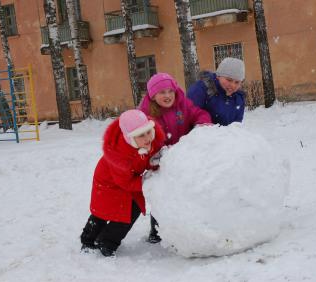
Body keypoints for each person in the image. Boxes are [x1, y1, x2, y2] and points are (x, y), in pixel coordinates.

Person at [80, 109, 165, 257]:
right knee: (103, 212)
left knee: (132, 211)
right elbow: (126, 182)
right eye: (141, 135)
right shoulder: (119, 156)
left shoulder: (151, 140)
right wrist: (146, 181)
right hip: (108, 182)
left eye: (148, 132)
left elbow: (149, 160)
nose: (147, 138)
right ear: (130, 138)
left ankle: (106, 239)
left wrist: (155, 163)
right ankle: (91, 240)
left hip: (128, 179)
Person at [139, 72, 211, 243]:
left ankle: (185, 226)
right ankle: (156, 230)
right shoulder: (145, 113)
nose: (168, 96)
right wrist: (161, 151)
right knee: (162, 194)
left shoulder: (182, 104)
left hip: (183, 157)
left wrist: (202, 125)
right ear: (153, 95)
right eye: (162, 92)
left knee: (183, 192)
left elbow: (198, 113)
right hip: (159, 161)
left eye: (170, 91)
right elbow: (145, 138)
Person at [187, 57, 246, 126]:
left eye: (237, 82)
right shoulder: (201, 89)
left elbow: (236, 126)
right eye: (229, 80)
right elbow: (189, 115)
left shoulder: (239, 97)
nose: (233, 85)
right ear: (218, 76)